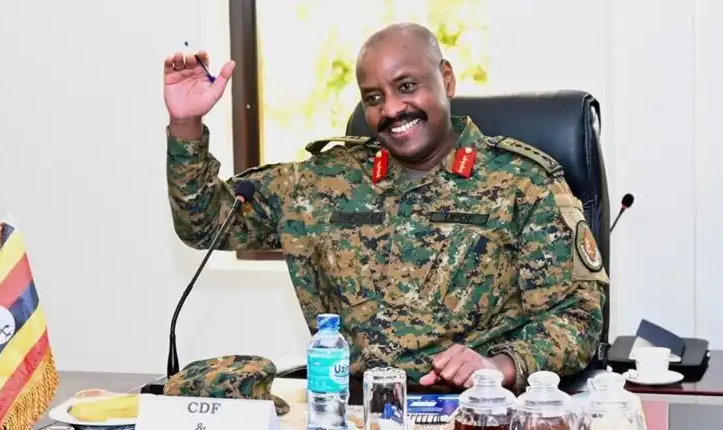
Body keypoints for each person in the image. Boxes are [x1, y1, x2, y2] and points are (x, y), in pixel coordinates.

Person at [162, 23, 608, 394]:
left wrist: (500, 365)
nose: (392, 109)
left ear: (446, 80)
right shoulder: (324, 184)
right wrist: (186, 123)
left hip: (475, 408)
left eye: (406, 86)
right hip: (356, 410)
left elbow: (578, 319)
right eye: (373, 98)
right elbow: (205, 224)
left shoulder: (523, 184)